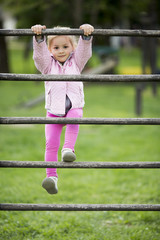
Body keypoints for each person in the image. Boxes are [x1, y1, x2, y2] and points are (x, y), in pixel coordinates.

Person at [31, 23, 94, 194]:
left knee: (74, 118)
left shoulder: (77, 62)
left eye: (65, 46)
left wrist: (86, 36)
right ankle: (51, 177)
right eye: (56, 47)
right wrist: (39, 38)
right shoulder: (47, 66)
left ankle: (68, 149)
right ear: (50, 49)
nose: (61, 50)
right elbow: (39, 56)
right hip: (53, 110)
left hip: (74, 105)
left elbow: (84, 51)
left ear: (72, 47)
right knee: (50, 144)